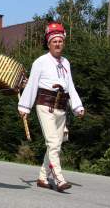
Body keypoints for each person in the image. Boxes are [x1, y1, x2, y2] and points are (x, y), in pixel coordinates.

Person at [18, 22, 85, 192]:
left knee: (56, 144)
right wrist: (24, 106)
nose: (57, 44)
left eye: (60, 41)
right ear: (48, 43)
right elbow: (32, 84)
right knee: (53, 142)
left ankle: (42, 176)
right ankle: (59, 178)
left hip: (61, 107)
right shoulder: (40, 62)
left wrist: (77, 106)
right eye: (54, 41)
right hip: (45, 105)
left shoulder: (66, 63)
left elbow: (70, 86)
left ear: (63, 42)